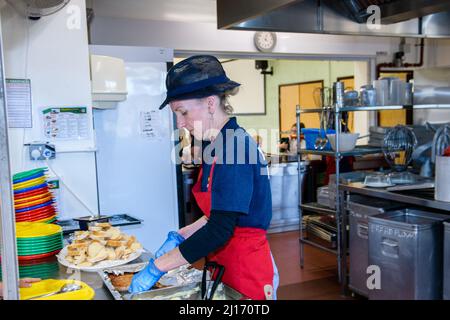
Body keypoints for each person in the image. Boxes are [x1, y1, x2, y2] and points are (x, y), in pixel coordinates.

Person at [129, 55, 279, 300]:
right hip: (224, 263)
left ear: (210, 103)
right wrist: (182, 234)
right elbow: (217, 214)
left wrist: (159, 266)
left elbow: (219, 230)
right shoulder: (216, 147)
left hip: (247, 269)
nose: (180, 122)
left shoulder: (236, 149)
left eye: (183, 112)